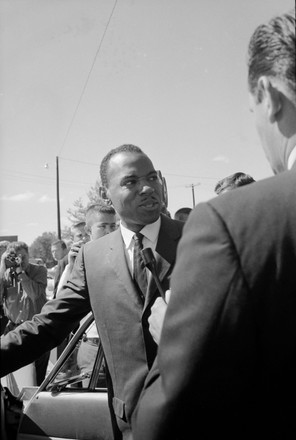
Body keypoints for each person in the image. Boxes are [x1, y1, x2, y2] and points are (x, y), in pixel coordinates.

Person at [133, 10, 296, 440]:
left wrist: (173, 340)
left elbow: (164, 420)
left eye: (252, 110)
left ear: (269, 95)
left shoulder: (230, 223)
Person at [0, 144, 184, 440]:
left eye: (152, 177)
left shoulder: (199, 238)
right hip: (131, 424)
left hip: (203, 412)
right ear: (104, 193)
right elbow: (48, 326)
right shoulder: (93, 256)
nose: (148, 188)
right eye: (131, 182)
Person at [0, 241, 50, 386]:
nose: (20, 260)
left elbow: (34, 294)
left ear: (29, 255)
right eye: (16, 257)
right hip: (13, 328)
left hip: (36, 328)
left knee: (38, 376)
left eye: (23, 256)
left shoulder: (39, 270)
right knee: (11, 373)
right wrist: (2, 267)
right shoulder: (6, 274)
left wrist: (21, 273)